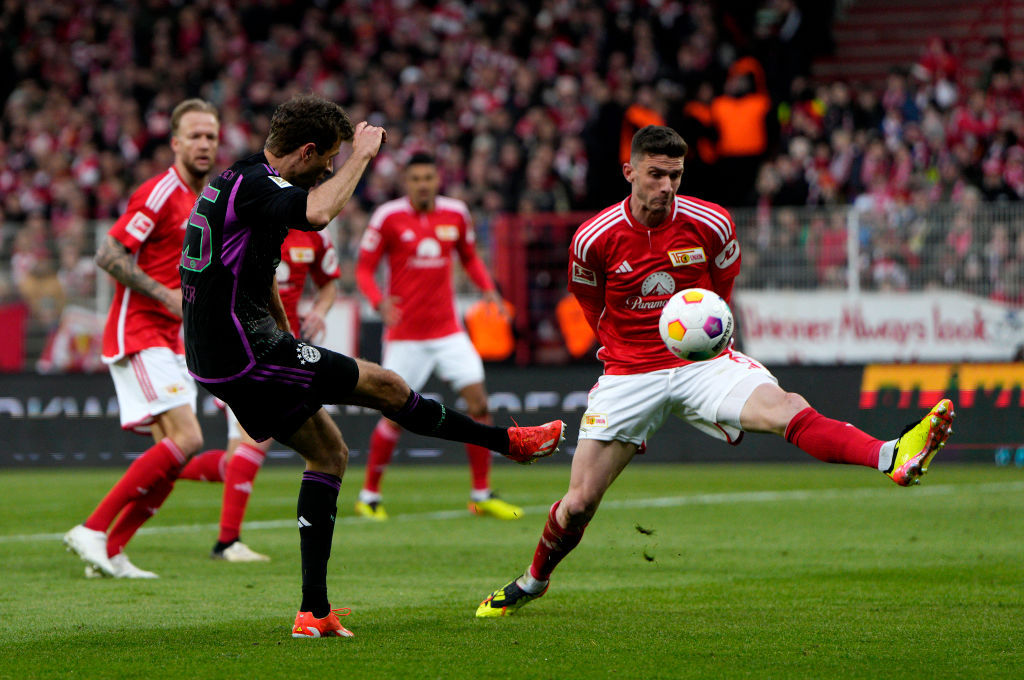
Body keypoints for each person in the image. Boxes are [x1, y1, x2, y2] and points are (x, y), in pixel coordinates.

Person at [475, 125, 956, 617]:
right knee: (578, 503)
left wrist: (711, 345)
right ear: (629, 172)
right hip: (628, 373)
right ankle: (533, 581)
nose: (666, 186)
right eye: (656, 174)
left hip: (701, 362)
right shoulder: (593, 239)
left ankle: (891, 455)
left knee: (786, 407)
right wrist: (625, 351)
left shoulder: (712, 223)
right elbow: (590, 305)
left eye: (675, 175)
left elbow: (722, 293)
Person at [178, 94, 565, 639]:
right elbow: (318, 213)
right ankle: (508, 443)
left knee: (329, 452)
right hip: (243, 352)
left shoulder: (237, 182)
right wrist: (361, 154)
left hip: (225, 353)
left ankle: (313, 613)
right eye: (327, 159)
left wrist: (287, 336)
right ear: (306, 151)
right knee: (386, 385)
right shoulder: (260, 186)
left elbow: (259, 276)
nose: (329, 170)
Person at [63, 98, 232, 579]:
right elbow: (109, 254)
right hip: (139, 328)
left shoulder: (211, 199)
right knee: (188, 437)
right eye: (195, 136)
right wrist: (165, 295)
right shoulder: (159, 192)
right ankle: (92, 529)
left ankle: (113, 551)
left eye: (211, 136)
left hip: (175, 338)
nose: (204, 144)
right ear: (175, 142)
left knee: (174, 456)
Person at [354, 152, 521, 521]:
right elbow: (364, 270)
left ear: (437, 179)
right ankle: (369, 496)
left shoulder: (456, 213)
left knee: (478, 402)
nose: (423, 185)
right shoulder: (387, 217)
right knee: (394, 415)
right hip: (405, 336)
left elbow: (469, 257)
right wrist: (379, 302)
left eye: (428, 178)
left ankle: (481, 494)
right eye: (416, 179)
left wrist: (488, 288)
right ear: (406, 182)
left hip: (448, 330)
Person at [208, 227, 343, 563]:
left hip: (280, 347)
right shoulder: (250, 221)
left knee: (234, 461)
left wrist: (319, 311)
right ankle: (227, 543)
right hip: (241, 347)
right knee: (259, 438)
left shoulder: (315, 234)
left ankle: (169, 466)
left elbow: (328, 283)